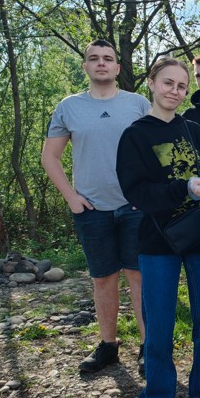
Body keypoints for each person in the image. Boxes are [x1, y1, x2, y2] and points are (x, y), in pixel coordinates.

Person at [116, 58, 200, 398]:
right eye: (168, 83)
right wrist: (182, 188)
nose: (176, 91)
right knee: (159, 325)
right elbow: (137, 192)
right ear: (151, 83)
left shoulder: (193, 129)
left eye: (182, 86)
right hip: (157, 242)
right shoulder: (134, 135)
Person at [42, 39, 148, 375]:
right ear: (85, 66)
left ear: (117, 68)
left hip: (135, 209)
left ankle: (149, 347)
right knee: (103, 278)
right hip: (91, 209)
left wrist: (150, 195)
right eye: (94, 59)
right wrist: (72, 198)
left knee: (138, 276)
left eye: (108, 59)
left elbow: (157, 153)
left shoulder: (139, 104)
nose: (101, 63)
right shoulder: (69, 107)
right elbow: (50, 157)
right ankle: (108, 345)